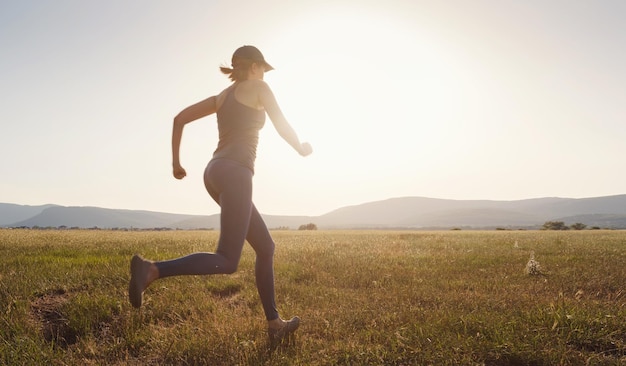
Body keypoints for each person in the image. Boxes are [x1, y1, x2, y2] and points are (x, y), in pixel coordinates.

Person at [128, 45, 312, 345]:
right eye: (263, 68)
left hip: (214, 172)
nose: (265, 74)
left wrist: (176, 163)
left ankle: (275, 324)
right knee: (227, 259)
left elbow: (179, 119)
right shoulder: (260, 87)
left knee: (265, 247)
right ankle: (151, 270)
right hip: (236, 172)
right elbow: (280, 124)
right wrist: (301, 147)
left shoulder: (221, 97)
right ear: (254, 67)